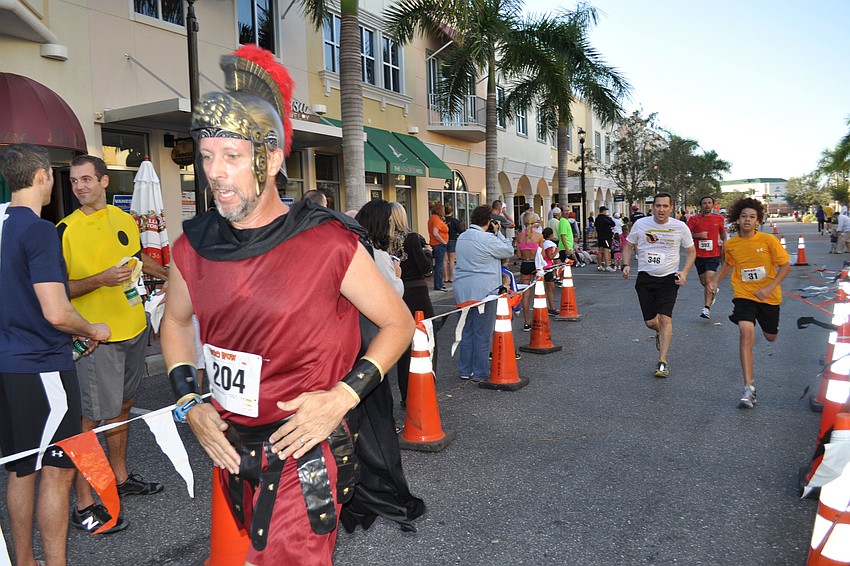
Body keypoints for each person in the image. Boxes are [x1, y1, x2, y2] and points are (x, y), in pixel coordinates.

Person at [159, 45, 417, 564]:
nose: (216, 174)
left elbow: (397, 322)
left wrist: (342, 397)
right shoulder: (193, 245)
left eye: (232, 157)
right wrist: (190, 405)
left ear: (271, 158)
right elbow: (176, 321)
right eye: (207, 157)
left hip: (306, 450)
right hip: (230, 449)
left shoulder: (327, 244)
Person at [0, 144, 111, 566]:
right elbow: (57, 311)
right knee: (59, 470)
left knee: (20, 468)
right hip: (43, 366)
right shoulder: (40, 229)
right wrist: (92, 329)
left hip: (7, 365)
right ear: (43, 176)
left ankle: (24, 561)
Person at [58, 154, 163, 534]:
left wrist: (171, 275)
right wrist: (99, 280)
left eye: (86, 179)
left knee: (122, 407)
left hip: (133, 328)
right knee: (88, 419)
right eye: (73, 181)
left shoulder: (124, 221)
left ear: (104, 181)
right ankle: (84, 501)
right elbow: (58, 289)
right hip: (94, 337)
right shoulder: (65, 229)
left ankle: (119, 479)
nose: (80, 187)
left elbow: (134, 261)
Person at [707, 197, 790, 409]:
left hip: (768, 297)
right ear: (737, 219)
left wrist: (770, 287)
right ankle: (749, 387)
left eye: (752, 217)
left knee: (770, 337)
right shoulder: (731, 244)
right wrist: (715, 280)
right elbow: (728, 264)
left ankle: (770, 327)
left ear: (758, 220)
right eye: (744, 216)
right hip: (744, 295)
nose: (747, 220)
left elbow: (785, 266)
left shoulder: (768, 241)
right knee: (746, 332)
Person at [622, 192, 696, 378]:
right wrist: (625, 265)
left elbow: (691, 252)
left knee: (665, 319)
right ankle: (661, 334)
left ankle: (662, 361)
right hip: (646, 277)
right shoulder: (641, 224)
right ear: (652, 207)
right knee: (651, 322)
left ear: (671, 208)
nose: (661, 209)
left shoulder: (680, 227)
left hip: (669, 278)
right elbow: (628, 245)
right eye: (658, 206)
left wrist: (684, 272)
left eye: (665, 206)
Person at [454, 205, 515, 383]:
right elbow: (508, 251)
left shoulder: (462, 237)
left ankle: (465, 369)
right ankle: (480, 372)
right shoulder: (487, 238)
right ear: (488, 221)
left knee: (467, 330)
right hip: (485, 291)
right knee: (482, 332)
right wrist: (498, 233)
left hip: (463, 290)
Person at [389, 202, 434, 407]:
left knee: (404, 347)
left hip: (397, 294)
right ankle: (425, 387)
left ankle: (406, 394)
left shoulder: (384, 241)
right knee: (426, 341)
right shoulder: (412, 238)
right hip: (417, 293)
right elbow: (425, 269)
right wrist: (428, 253)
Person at [687, 195, 727, 319]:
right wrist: (698, 235)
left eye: (709, 203)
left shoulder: (719, 218)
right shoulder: (694, 219)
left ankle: (706, 308)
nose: (707, 205)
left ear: (713, 204)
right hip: (698, 255)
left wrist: (724, 246)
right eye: (704, 203)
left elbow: (723, 234)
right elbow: (687, 235)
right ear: (701, 206)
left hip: (713, 254)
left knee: (709, 279)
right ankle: (713, 290)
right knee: (704, 281)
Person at [355, 199, 404, 296]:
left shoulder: (355, 245)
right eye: (389, 221)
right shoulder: (378, 254)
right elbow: (393, 293)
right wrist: (397, 275)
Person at [516, 212, 545, 330]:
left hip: (525, 264)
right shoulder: (538, 236)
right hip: (536, 264)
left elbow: (518, 255)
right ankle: (540, 319)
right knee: (539, 293)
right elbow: (542, 255)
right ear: (534, 223)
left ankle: (527, 322)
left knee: (525, 295)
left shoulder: (519, 236)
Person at [428, 203, 449, 291]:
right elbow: (435, 233)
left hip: (435, 243)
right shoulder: (436, 220)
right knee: (439, 265)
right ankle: (438, 285)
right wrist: (443, 241)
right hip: (439, 244)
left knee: (438, 265)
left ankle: (439, 283)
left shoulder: (432, 218)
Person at [444, 203, 464, 283]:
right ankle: (452, 277)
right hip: (452, 240)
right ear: (451, 211)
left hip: (443, 240)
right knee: (452, 260)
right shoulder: (454, 221)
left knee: (445, 260)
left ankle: (445, 277)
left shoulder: (442, 220)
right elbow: (460, 231)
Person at [594, 206, 616, 272]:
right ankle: (607, 266)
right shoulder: (605, 218)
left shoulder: (597, 219)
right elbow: (613, 224)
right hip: (606, 237)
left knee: (600, 250)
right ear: (603, 211)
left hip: (600, 236)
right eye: (606, 211)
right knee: (606, 250)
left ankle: (599, 265)